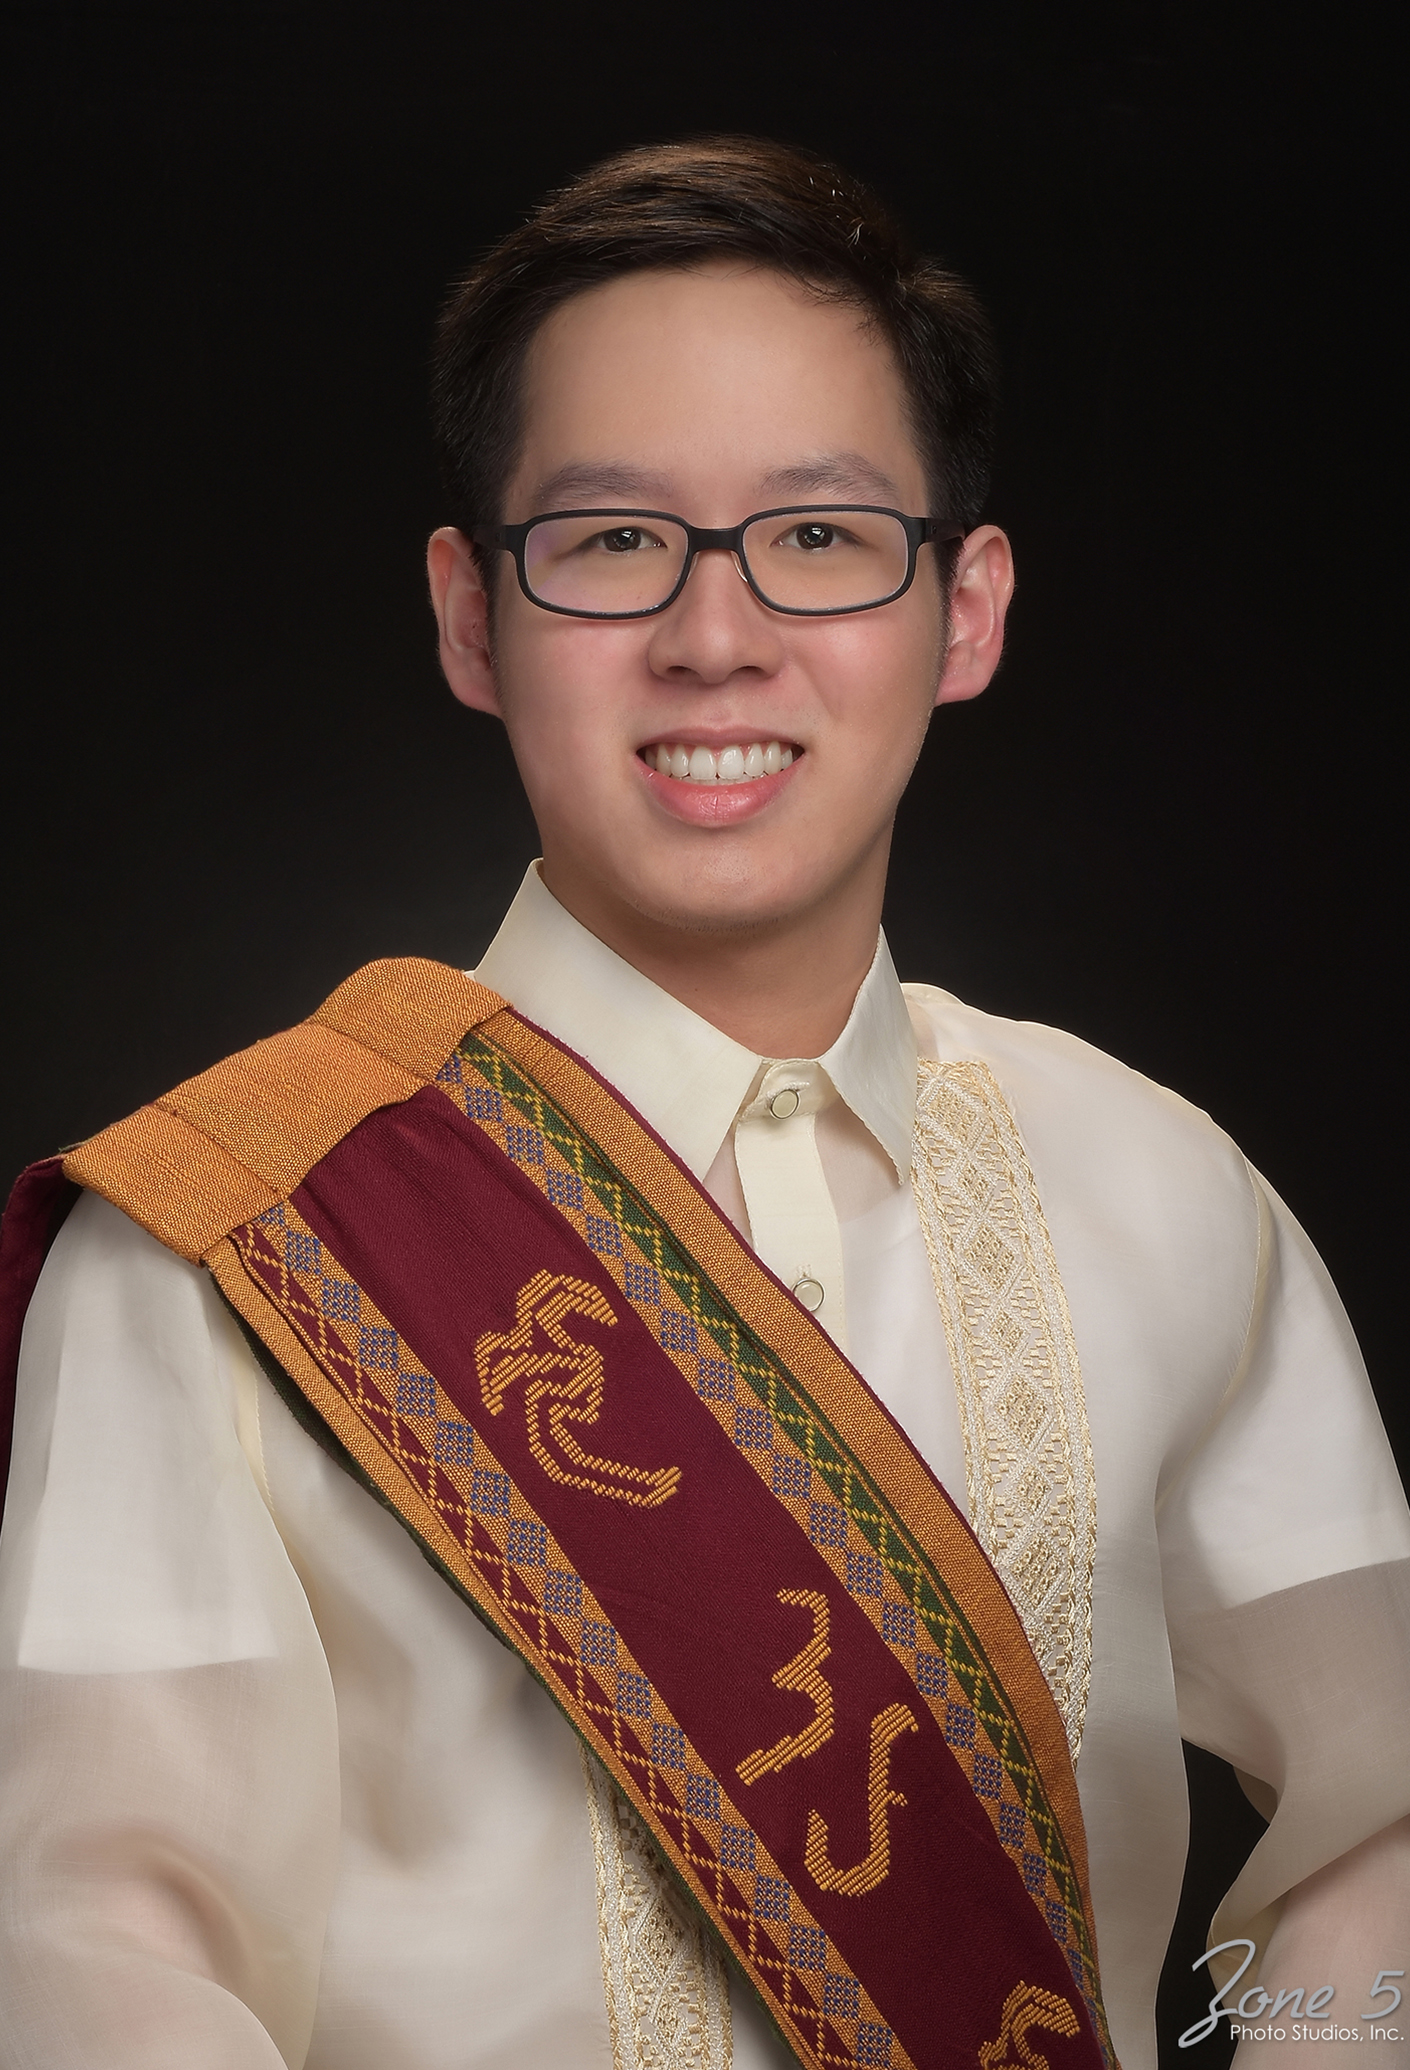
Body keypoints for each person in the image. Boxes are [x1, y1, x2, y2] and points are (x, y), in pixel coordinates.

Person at [1, 137, 1406, 2070]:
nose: (716, 635)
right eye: (610, 542)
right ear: (471, 616)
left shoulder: (1161, 1192)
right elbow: (93, 1940)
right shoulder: (213, 1245)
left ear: (966, 607)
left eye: (819, 536)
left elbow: (1382, 1818)